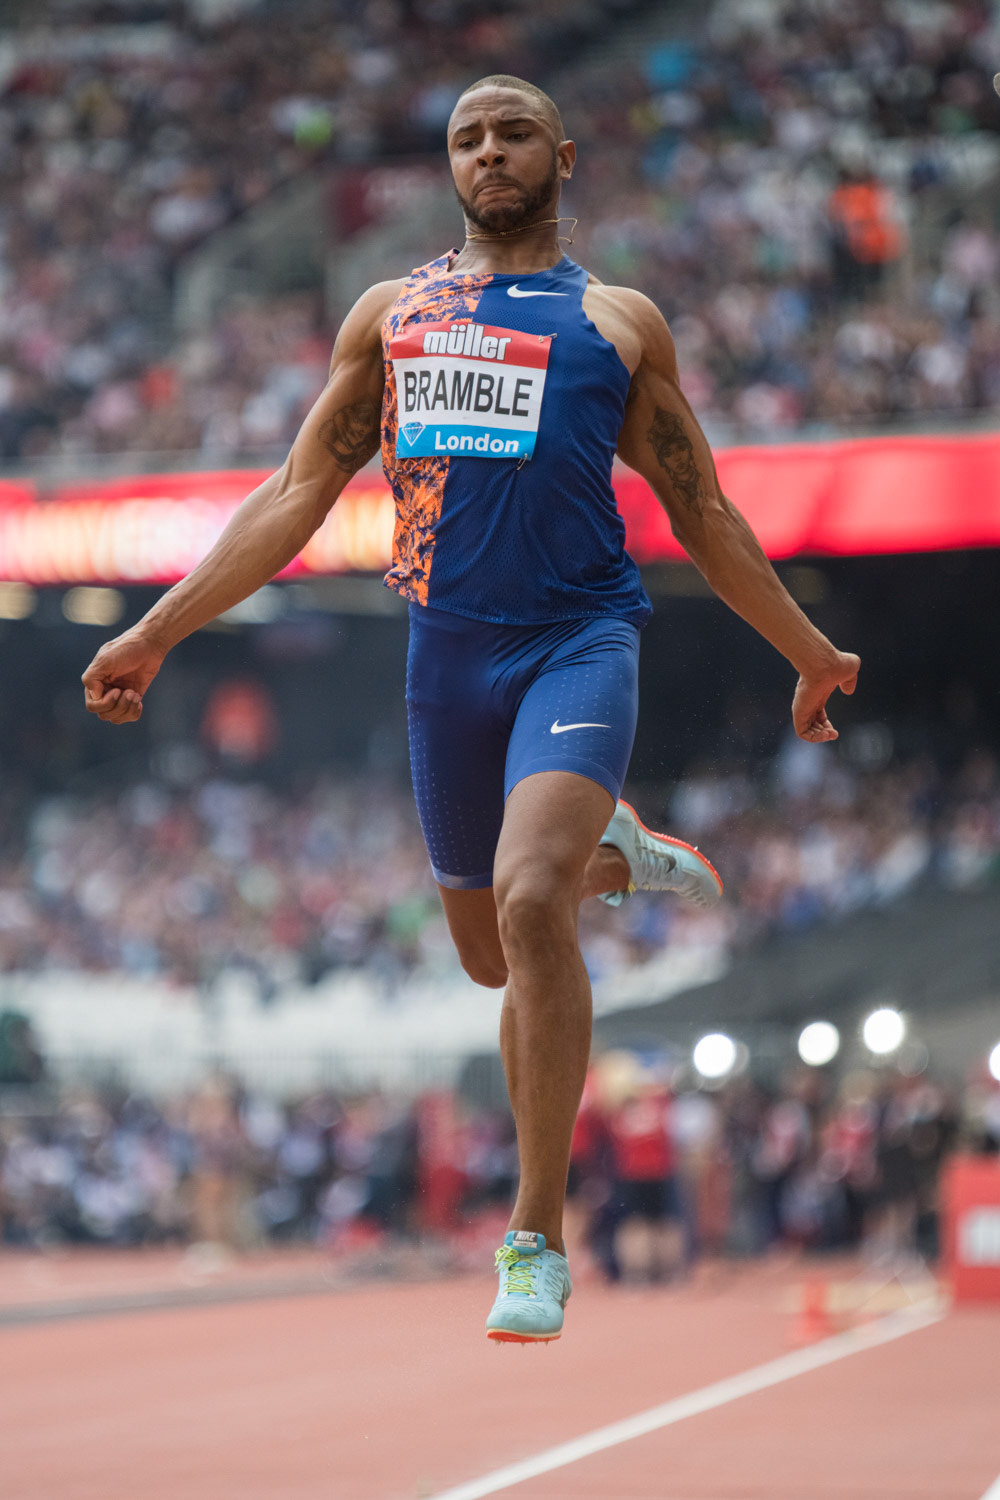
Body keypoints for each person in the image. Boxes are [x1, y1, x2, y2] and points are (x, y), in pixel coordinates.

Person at [82, 74, 860, 1344]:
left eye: (510, 134)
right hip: (448, 656)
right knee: (490, 958)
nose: (487, 153)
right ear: (448, 168)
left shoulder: (615, 325)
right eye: (464, 139)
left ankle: (534, 1237)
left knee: (526, 901)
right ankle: (616, 842)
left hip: (578, 640)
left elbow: (703, 512)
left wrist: (811, 653)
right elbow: (292, 494)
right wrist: (157, 630)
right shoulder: (393, 317)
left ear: (560, 155)